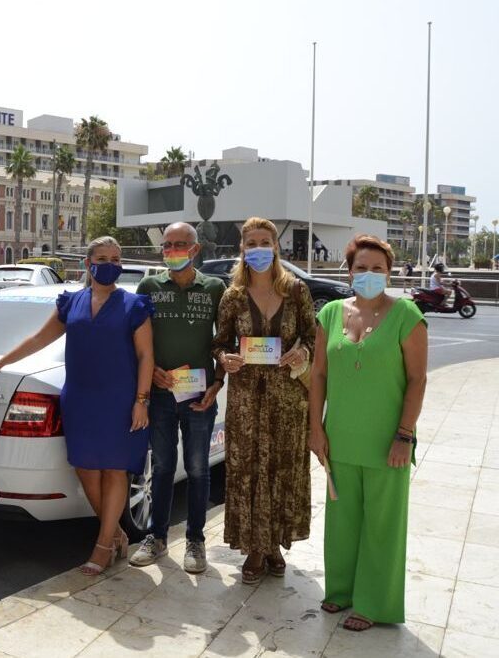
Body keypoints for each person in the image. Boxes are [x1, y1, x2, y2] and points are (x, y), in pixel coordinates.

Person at [0, 236, 154, 575]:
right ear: (89, 264)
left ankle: (102, 547)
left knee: (115, 470)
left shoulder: (135, 306)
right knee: (86, 468)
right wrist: (0, 363)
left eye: (116, 258)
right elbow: (38, 339)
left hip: (120, 400)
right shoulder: (71, 302)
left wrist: (141, 401)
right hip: (81, 398)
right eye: (103, 257)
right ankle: (114, 533)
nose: (111, 264)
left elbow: (146, 356)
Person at [309, 235, 427, 632]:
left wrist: (404, 435)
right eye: (361, 268)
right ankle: (340, 590)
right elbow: (319, 375)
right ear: (349, 272)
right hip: (340, 437)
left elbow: (417, 380)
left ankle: (373, 603)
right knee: (341, 520)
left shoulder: (407, 314)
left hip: (387, 442)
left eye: (378, 269)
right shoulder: (329, 313)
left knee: (382, 525)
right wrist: (315, 428)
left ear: (389, 273)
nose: (369, 275)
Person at [212, 217, 314, 584]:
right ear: (242, 249)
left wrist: (302, 352)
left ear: (276, 247)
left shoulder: (297, 291)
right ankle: (255, 548)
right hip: (246, 402)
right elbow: (219, 343)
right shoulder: (233, 297)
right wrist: (225, 359)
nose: (258, 248)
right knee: (248, 470)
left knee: (281, 469)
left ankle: (274, 544)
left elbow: (312, 337)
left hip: (287, 401)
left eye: (264, 241)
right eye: (251, 242)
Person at [130, 223, 225, 574]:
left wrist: (218, 382)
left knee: (199, 469)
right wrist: (151, 371)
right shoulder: (149, 286)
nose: (173, 250)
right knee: (164, 467)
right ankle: (157, 537)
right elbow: (137, 338)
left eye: (180, 244)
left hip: (199, 396)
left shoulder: (215, 288)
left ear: (196, 249)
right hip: (159, 393)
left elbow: (224, 342)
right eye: (168, 245)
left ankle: (195, 541)